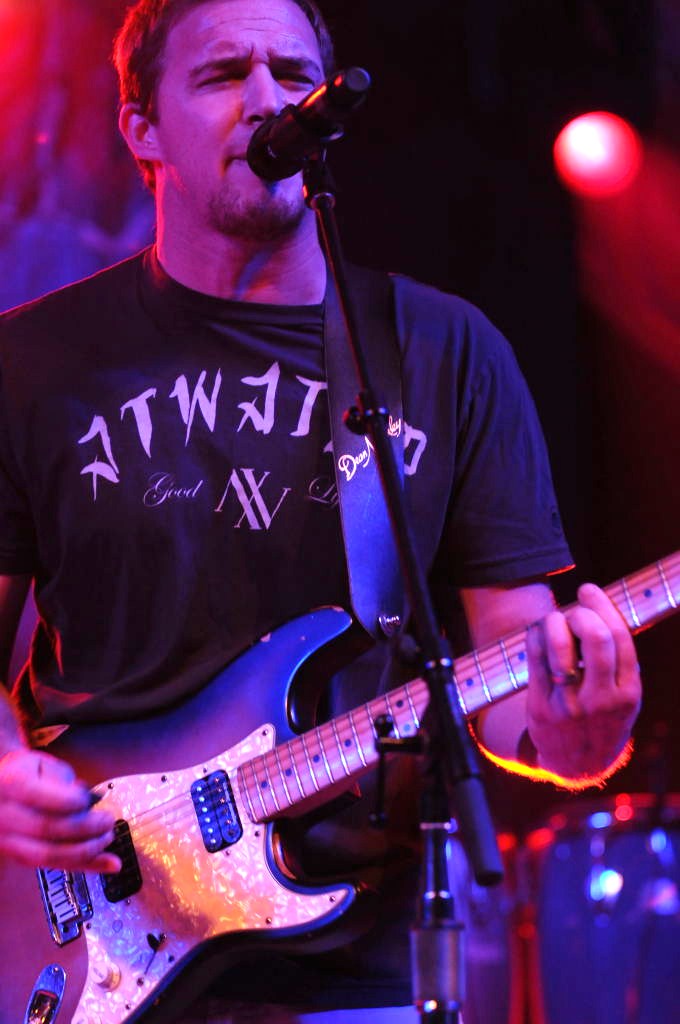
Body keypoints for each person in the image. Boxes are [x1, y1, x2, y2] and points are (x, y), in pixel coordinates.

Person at [0, 1, 641, 1022]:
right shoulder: (30, 363)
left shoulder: (442, 351)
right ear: (142, 128)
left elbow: (512, 678)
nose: (269, 99)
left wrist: (579, 734)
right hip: (85, 944)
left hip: (356, 968)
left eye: (294, 75)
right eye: (224, 75)